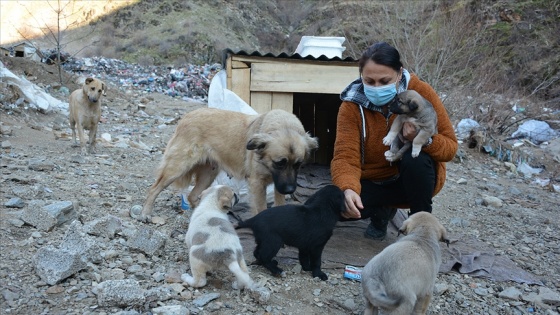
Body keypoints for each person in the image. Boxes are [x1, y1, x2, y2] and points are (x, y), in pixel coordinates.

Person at [330, 41, 458, 240]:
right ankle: (381, 212)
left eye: (384, 81)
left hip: (413, 181)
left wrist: (425, 140)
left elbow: (450, 148)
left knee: (416, 160)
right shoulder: (351, 106)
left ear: (399, 74)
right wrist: (348, 189)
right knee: (334, 205)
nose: (376, 87)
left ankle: (420, 229)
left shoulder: (420, 93)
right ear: (361, 77)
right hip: (374, 180)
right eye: (369, 81)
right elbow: (345, 157)